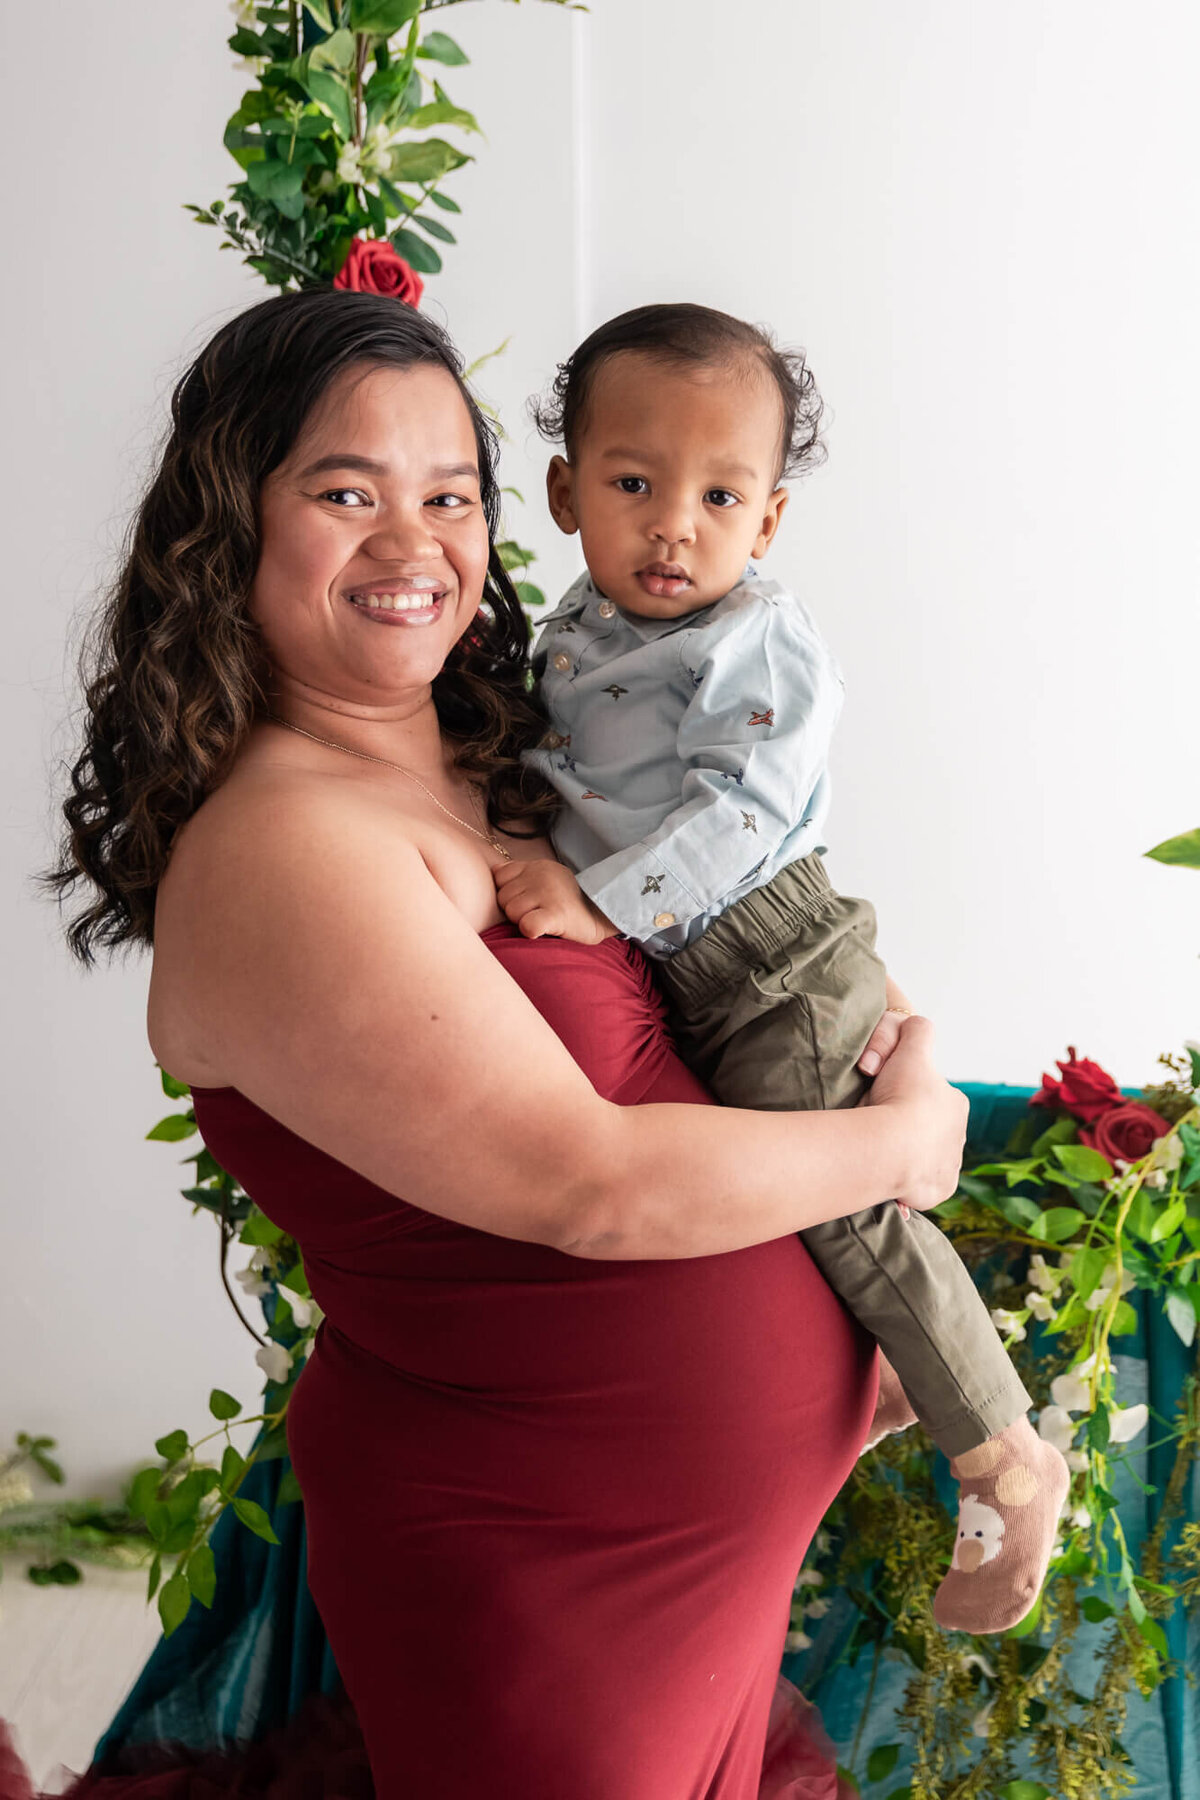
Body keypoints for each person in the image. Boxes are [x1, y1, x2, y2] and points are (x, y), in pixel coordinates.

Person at [13, 288, 969, 1800]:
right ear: (227, 525)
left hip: (688, 1563)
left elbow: (750, 922)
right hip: (545, 1575)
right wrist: (906, 1145)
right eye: (345, 492)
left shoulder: (495, 756)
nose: (414, 544)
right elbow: (583, 1183)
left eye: (448, 494)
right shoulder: (284, 850)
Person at [497, 302, 1068, 1637]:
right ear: (566, 491)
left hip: (774, 958)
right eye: (634, 484)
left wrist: (587, 892)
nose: (672, 525)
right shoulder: (579, 622)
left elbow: (744, 810)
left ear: (766, 521)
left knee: (848, 1200)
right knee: (754, 1201)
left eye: (719, 494)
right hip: (697, 969)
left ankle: (1005, 1455)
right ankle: (876, 1375)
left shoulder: (753, 637)